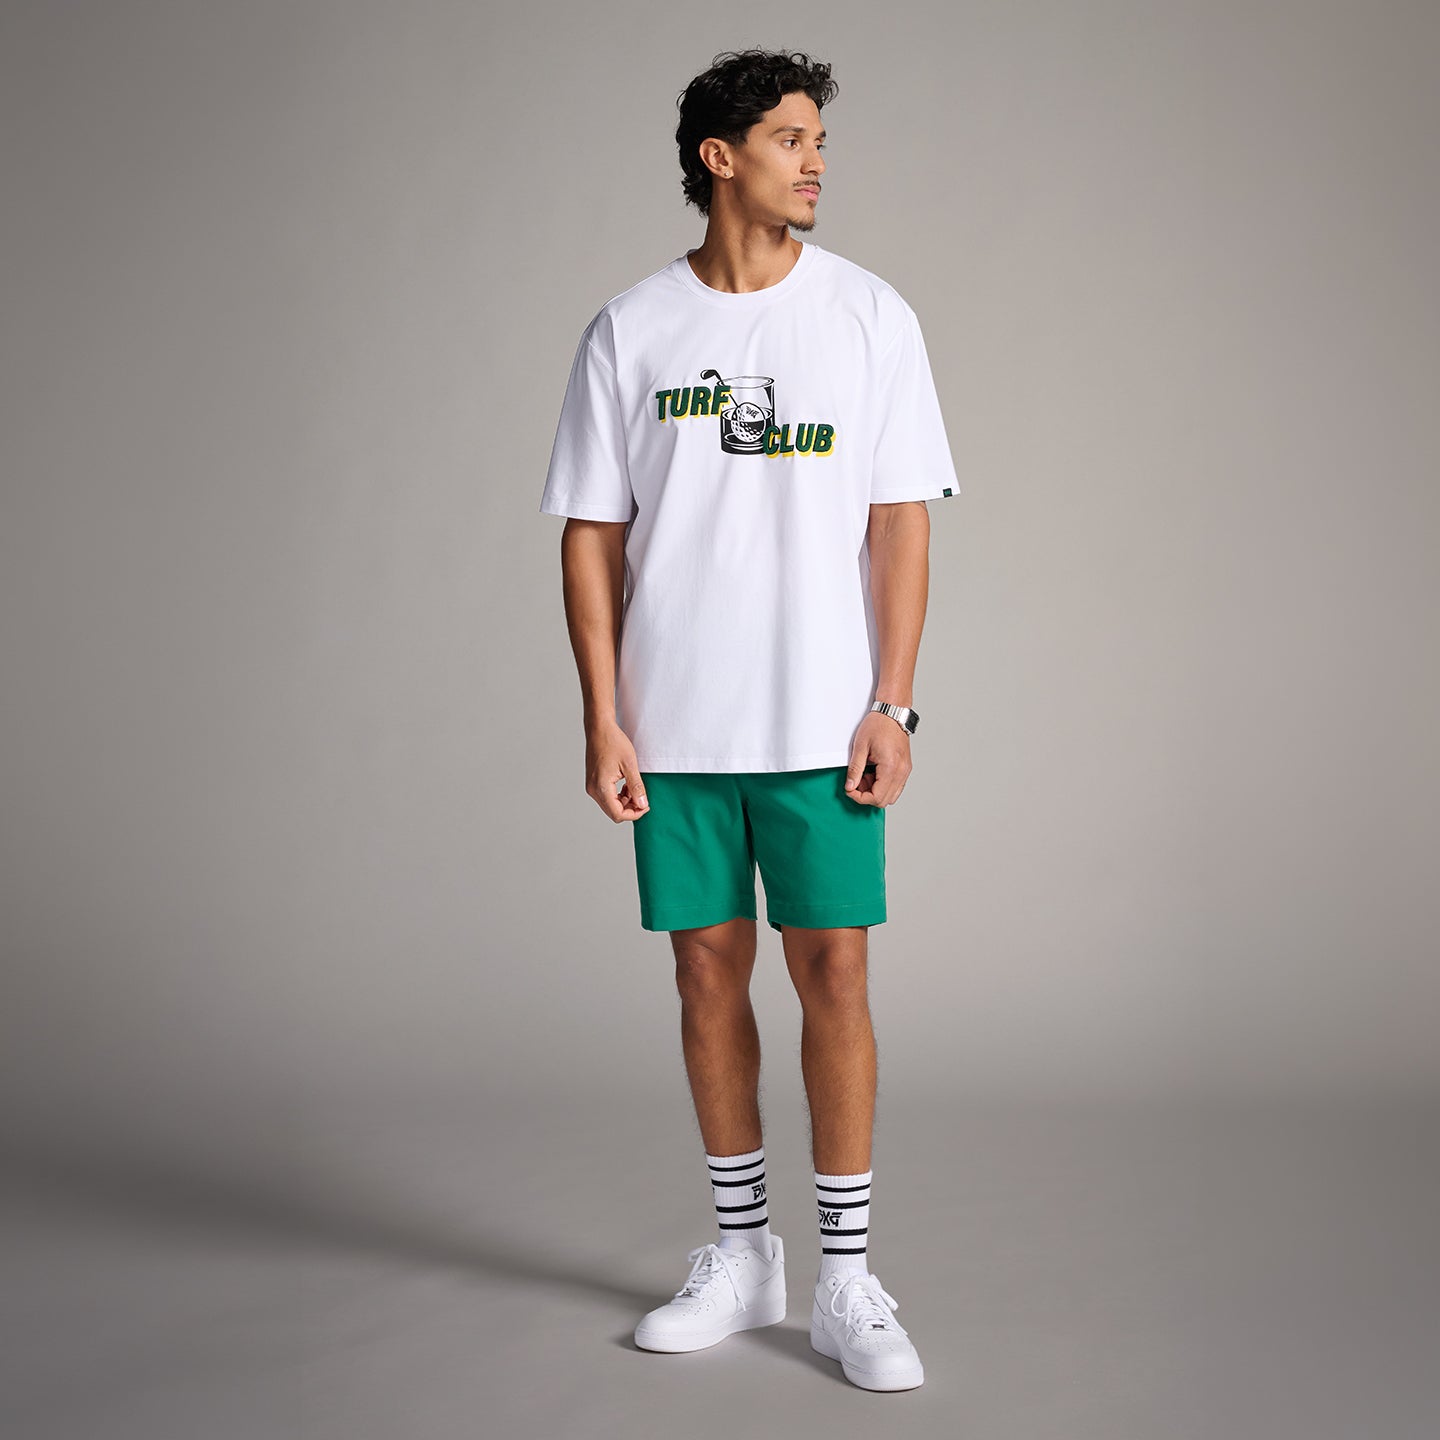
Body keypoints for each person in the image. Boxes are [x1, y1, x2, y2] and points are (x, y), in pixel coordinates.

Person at [538, 48, 958, 1393]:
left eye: (819, 139)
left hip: (824, 721)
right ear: (720, 158)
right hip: (676, 724)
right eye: (790, 138)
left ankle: (845, 1278)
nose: (816, 161)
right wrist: (604, 717)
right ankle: (742, 1254)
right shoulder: (631, 330)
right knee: (704, 974)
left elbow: (900, 523)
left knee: (835, 974)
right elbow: (592, 534)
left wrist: (892, 700)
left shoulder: (870, 315)